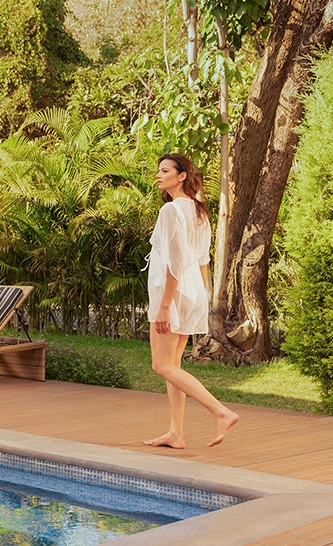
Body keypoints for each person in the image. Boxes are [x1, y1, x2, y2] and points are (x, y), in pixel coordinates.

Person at [143, 153, 238, 449]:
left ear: (182, 176)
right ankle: (176, 433)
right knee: (173, 365)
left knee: (161, 365)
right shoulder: (199, 211)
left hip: (173, 295)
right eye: (158, 171)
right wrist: (202, 297)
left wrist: (164, 306)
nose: (159, 175)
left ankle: (220, 412)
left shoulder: (171, 211)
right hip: (191, 292)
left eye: (165, 170)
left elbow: (173, 263)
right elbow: (202, 261)